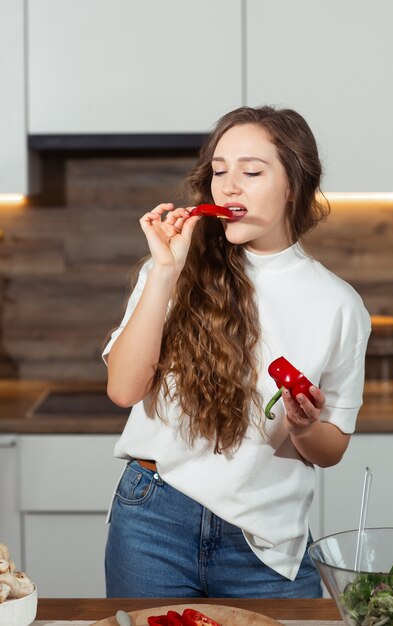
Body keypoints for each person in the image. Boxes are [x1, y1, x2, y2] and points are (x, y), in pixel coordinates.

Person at [102, 105, 371, 598]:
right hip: (154, 523)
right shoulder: (170, 268)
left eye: (251, 171)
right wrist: (165, 271)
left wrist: (305, 426)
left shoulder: (340, 305)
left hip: (266, 540)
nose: (228, 186)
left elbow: (331, 450)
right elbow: (123, 390)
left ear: (294, 183)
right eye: (219, 171)